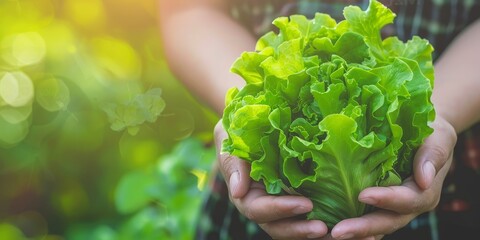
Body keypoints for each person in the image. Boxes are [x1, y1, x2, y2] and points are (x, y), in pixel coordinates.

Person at [158, 0, 480, 239]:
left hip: (454, 200)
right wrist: (247, 109)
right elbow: (187, 11)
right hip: (265, 204)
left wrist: (439, 115)